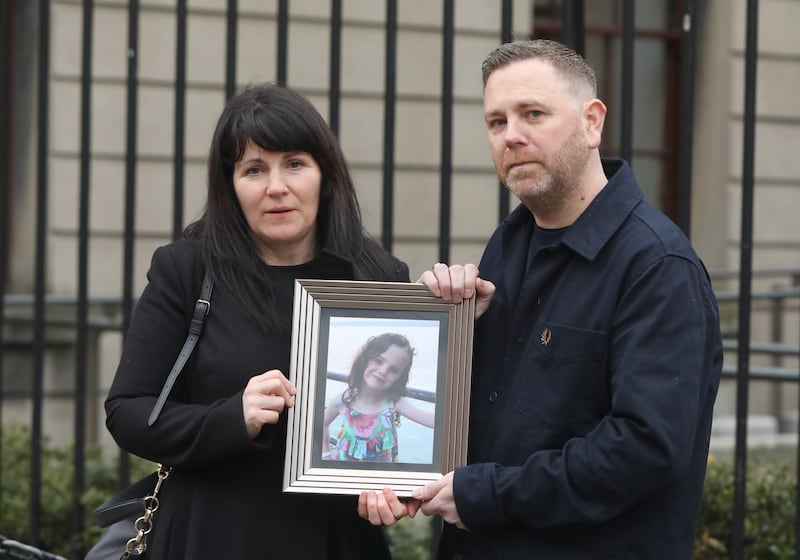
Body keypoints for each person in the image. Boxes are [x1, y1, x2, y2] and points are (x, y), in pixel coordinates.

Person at [359, 39, 723, 560]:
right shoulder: (508, 246)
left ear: (592, 122)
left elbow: (643, 449)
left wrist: (486, 495)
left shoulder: (658, 267)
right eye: (496, 121)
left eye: (533, 113)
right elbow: (500, 416)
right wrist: (453, 334)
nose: (512, 136)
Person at [104, 83, 409, 559]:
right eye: (253, 170)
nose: (276, 187)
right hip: (213, 535)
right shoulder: (188, 270)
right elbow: (128, 411)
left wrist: (396, 488)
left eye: (294, 163)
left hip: (336, 541)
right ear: (230, 185)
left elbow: (397, 429)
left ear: (323, 174)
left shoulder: (376, 275)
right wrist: (232, 418)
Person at [321, 333, 435, 462]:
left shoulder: (394, 403)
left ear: (400, 378)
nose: (383, 371)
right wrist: (326, 454)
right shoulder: (343, 400)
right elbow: (322, 423)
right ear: (365, 360)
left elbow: (435, 421)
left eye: (393, 370)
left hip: (379, 478)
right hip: (343, 475)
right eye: (378, 361)